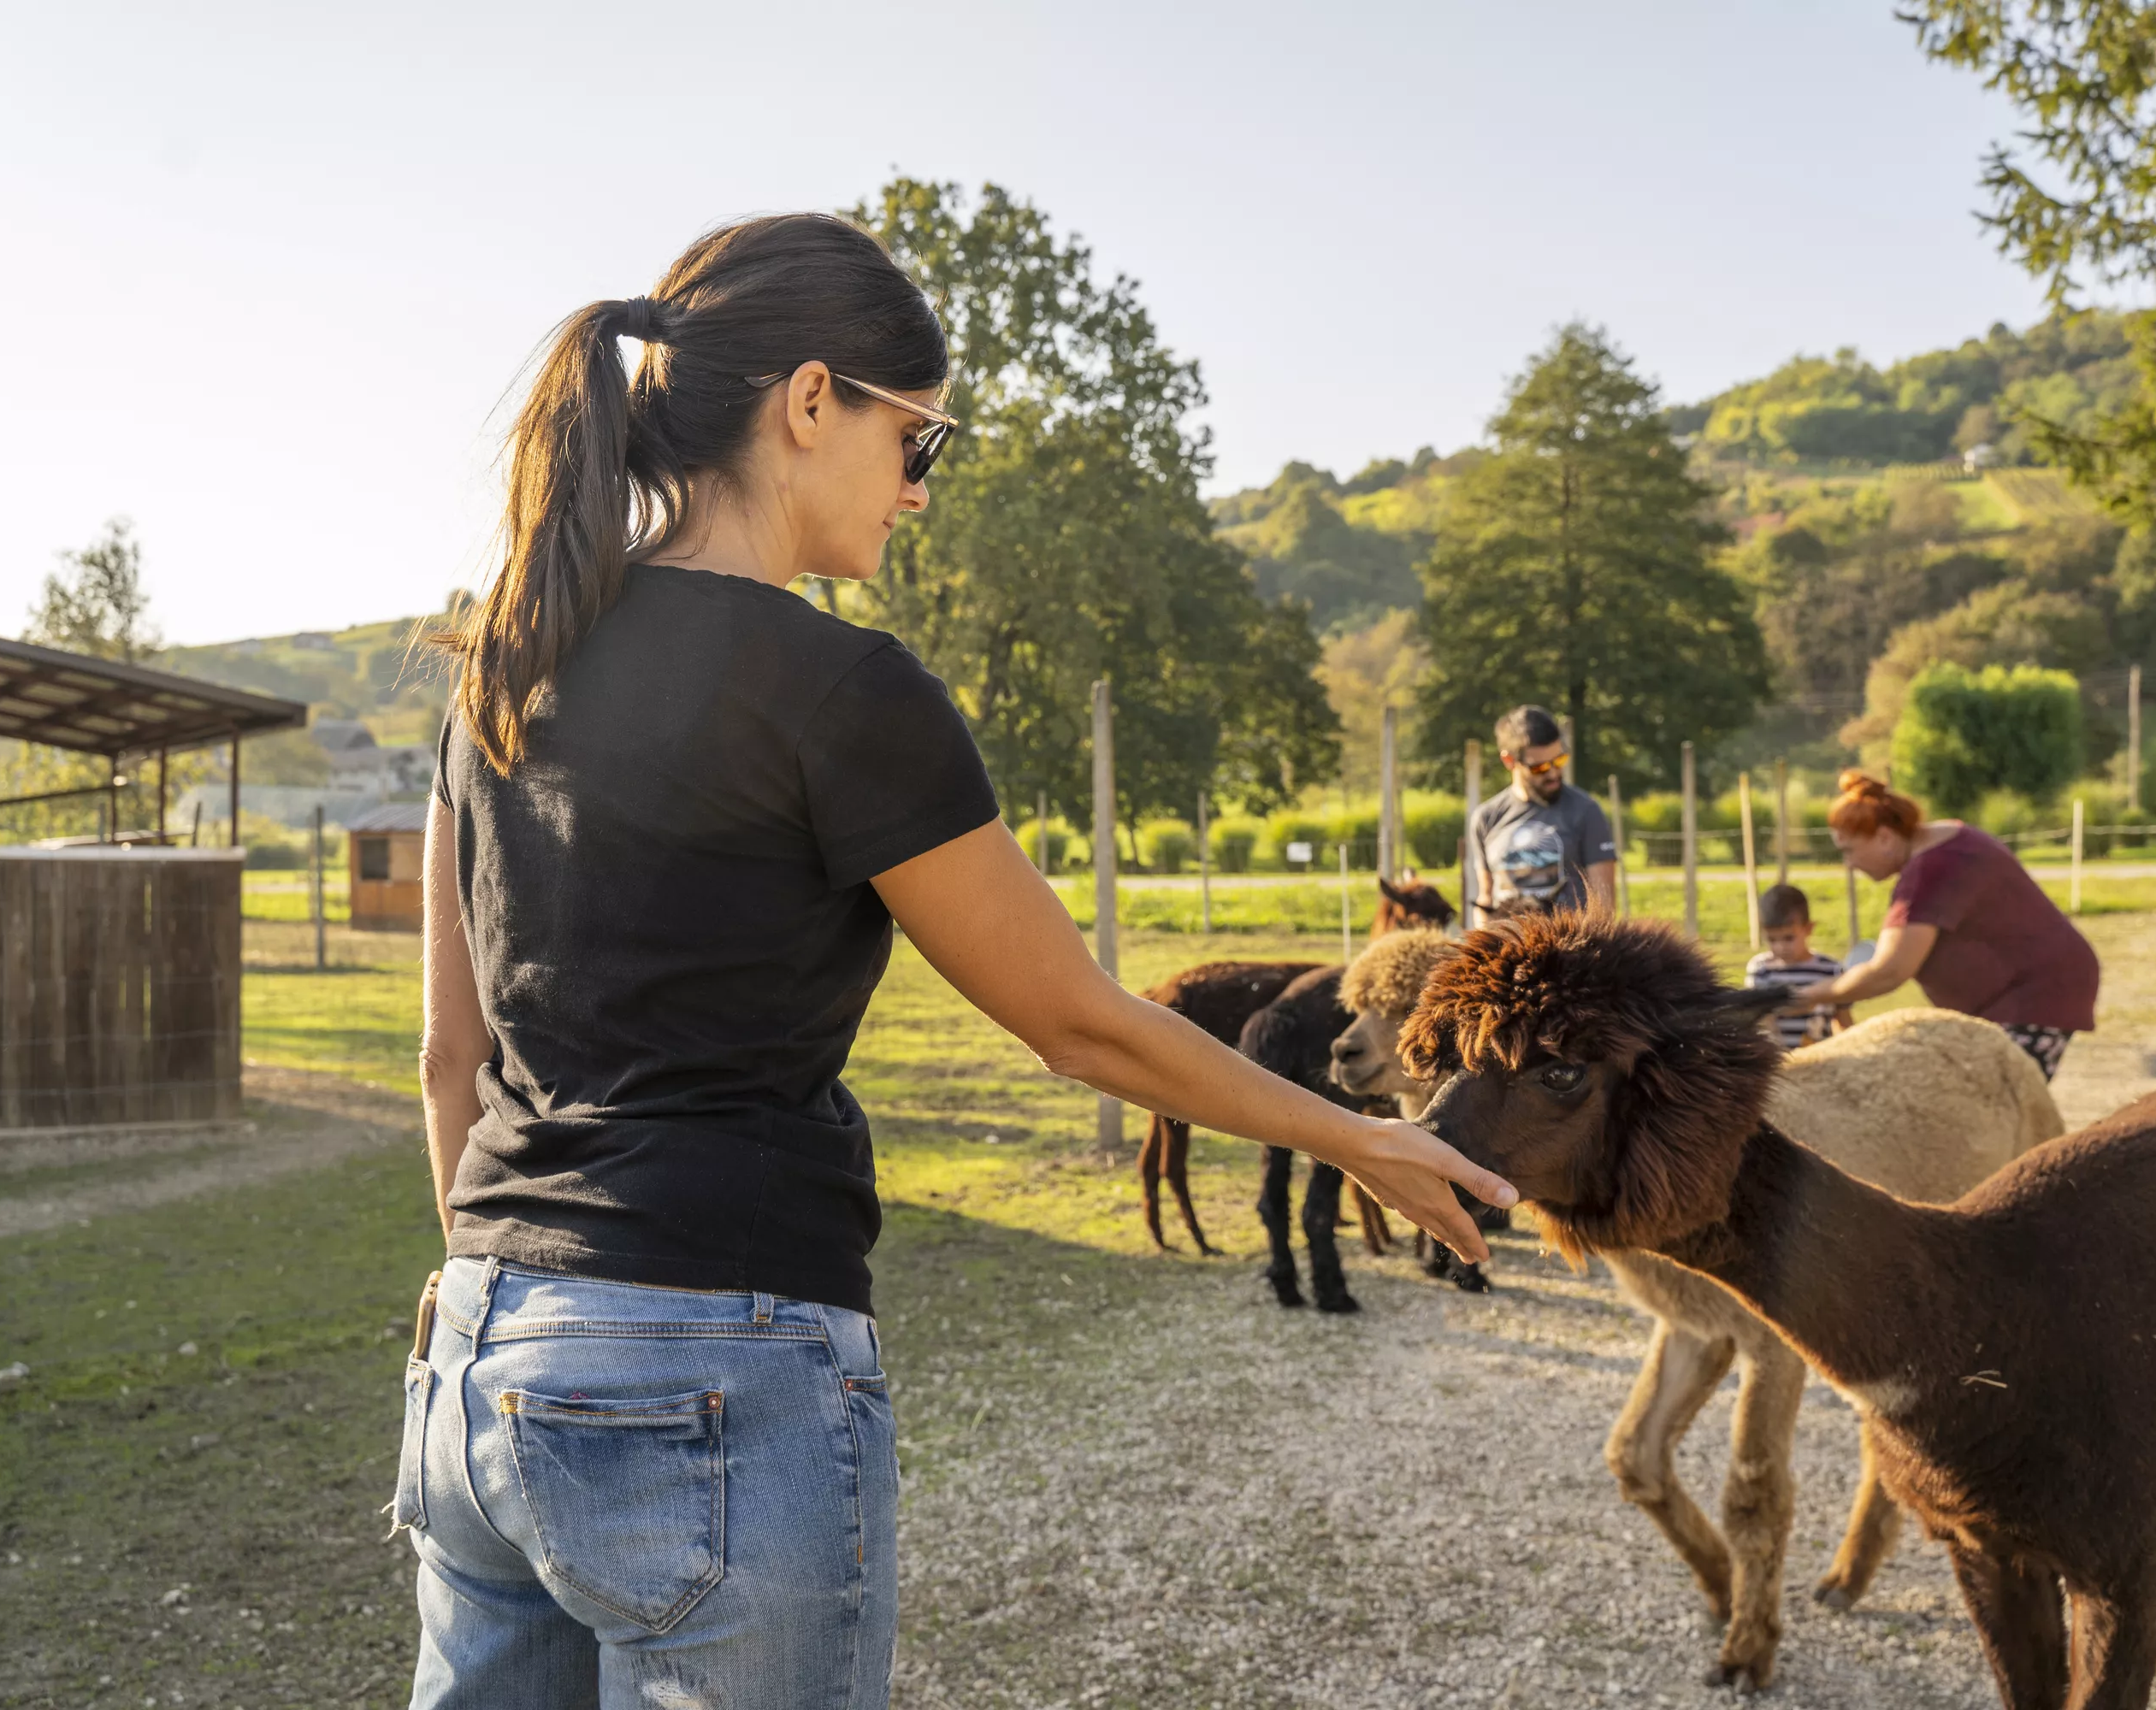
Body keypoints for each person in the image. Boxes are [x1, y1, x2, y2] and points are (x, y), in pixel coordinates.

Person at [401, 213, 1515, 1710]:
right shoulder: (837, 688)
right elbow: (1076, 1024)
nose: (921, 495)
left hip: (480, 1355)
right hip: (711, 1365)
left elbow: (449, 1059)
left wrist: (485, 1267)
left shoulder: (507, 666)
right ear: (812, 403)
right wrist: (1355, 1137)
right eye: (922, 442)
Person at [1781, 771, 2099, 1079]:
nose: (1849, 864)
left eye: (1849, 850)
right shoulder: (1952, 840)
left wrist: (1802, 997)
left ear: (1885, 837)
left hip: (2033, 1000)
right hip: (2028, 994)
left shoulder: (1928, 870)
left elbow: (1889, 971)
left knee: (1983, 1105)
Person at [1465, 705, 1618, 917]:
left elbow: (1605, 905)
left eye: (1559, 760)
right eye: (1540, 768)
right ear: (1509, 761)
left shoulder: (1586, 812)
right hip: (1508, 945)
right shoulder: (1486, 818)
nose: (1554, 773)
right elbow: (1486, 897)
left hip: (1567, 947)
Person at [1744, 883, 1842, 1049]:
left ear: (1808, 928)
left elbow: (1843, 1024)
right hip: (1778, 1064)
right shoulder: (1761, 970)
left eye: (1789, 938)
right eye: (1772, 940)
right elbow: (1758, 1022)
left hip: (1822, 1062)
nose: (1780, 947)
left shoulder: (1831, 970)